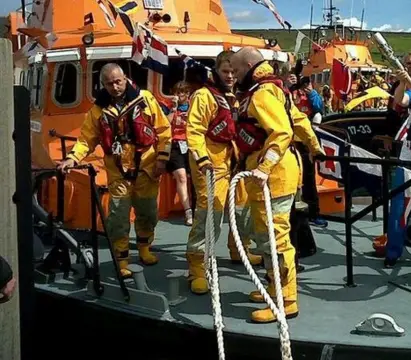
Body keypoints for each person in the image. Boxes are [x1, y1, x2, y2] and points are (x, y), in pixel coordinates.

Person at [58, 63, 171, 278]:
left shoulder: (145, 99)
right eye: (109, 83)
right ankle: (122, 259)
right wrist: (72, 158)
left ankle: (145, 248)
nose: (115, 86)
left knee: (148, 212)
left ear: (125, 78)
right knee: (118, 215)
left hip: (146, 167)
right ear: (103, 85)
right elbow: (86, 139)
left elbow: (164, 130)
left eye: (118, 81)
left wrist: (162, 159)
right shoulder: (98, 110)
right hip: (118, 170)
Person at [230, 46, 301, 323]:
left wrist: (263, 167)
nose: (234, 77)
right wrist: (314, 147)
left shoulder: (261, 94)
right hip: (272, 177)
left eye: (236, 70)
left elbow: (282, 131)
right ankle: (274, 288)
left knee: (275, 239)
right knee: (266, 237)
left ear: (249, 65)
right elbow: (298, 121)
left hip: (273, 178)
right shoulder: (276, 89)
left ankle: (286, 300)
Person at [185, 51, 262, 295]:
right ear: (216, 72)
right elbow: (194, 130)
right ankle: (197, 266)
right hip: (211, 162)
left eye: (233, 72)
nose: (230, 76)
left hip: (236, 160)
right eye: (225, 72)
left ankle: (239, 248)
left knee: (243, 208)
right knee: (211, 212)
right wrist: (202, 157)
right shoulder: (204, 96)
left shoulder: (241, 97)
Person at [285, 74, 328, 227]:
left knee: (309, 179)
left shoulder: (310, 95)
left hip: (305, 142)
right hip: (288, 142)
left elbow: (319, 109)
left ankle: (313, 213)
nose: (300, 83)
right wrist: (287, 86)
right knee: (290, 181)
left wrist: (312, 92)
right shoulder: (284, 91)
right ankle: (289, 215)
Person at [165, 81, 193, 226]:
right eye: (175, 92)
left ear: (187, 94)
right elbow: (165, 124)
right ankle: (188, 212)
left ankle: (199, 210)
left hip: (192, 145)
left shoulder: (194, 107)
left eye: (181, 92)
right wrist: (174, 109)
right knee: (181, 177)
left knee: (195, 179)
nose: (177, 95)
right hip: (175, 145)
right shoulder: (168, 107)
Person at [386, 51, 411, 138]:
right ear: (404, 66)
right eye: (409, 63)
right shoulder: (397, 85)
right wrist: (388, 135)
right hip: (401, 128)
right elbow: (392, 111)